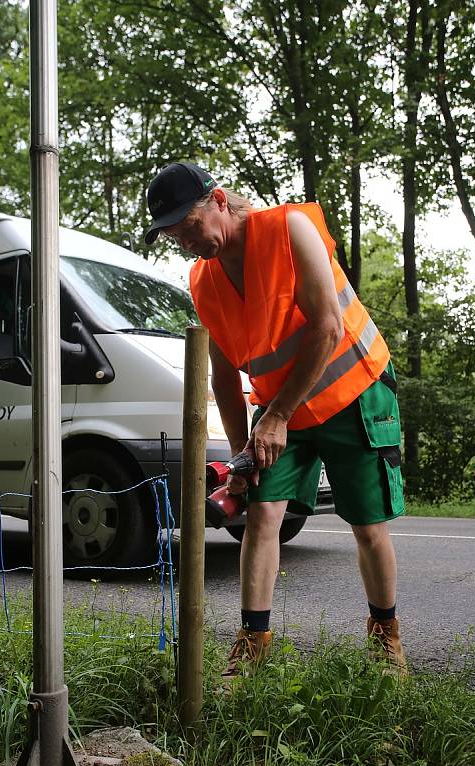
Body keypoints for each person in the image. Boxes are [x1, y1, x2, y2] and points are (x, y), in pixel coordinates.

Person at [145, 161, 408, 678]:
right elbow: (223, 378)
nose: (188, 243)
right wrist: (244, 454)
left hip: (351, 391)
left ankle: (385, 643)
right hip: (281, 411)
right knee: (261, 516)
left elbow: (327, 329)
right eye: (175, 237)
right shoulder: (203, 280)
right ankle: (253, 646)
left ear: (218, 201)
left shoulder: (291, 230)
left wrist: (278, 416)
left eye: (190, 227)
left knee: (366, 524)